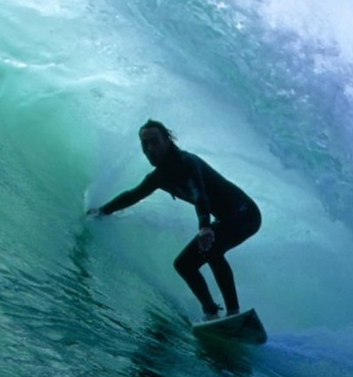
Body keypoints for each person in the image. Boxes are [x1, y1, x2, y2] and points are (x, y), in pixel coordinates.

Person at [90, 120, 262, 321]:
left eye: (155, 141)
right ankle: (211, 313)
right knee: (184, 265)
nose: (150, 148)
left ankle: (233, 313)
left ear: (167, 140)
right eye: (145, 144)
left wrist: (205, 226)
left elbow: (200, 194)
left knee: (212, 249)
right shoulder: (159, 177)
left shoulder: (187, 163)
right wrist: (102, 211)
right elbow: (133, 195)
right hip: (226, 219)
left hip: (245, 213)